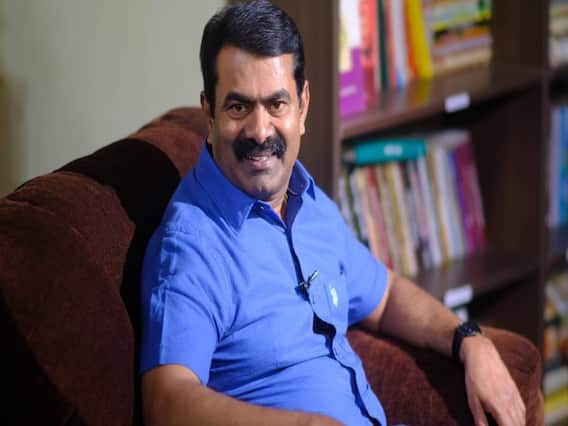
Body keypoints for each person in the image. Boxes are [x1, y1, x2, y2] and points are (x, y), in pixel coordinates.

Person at [139, 1, 526, 425]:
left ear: (302, 107)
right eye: (238, 107)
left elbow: (386, 297)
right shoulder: (191, 246)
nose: (260, 131)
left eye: (277, 104)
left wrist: (469, 341)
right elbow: (167, 400)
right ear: (209, 114)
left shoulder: (305, 199)